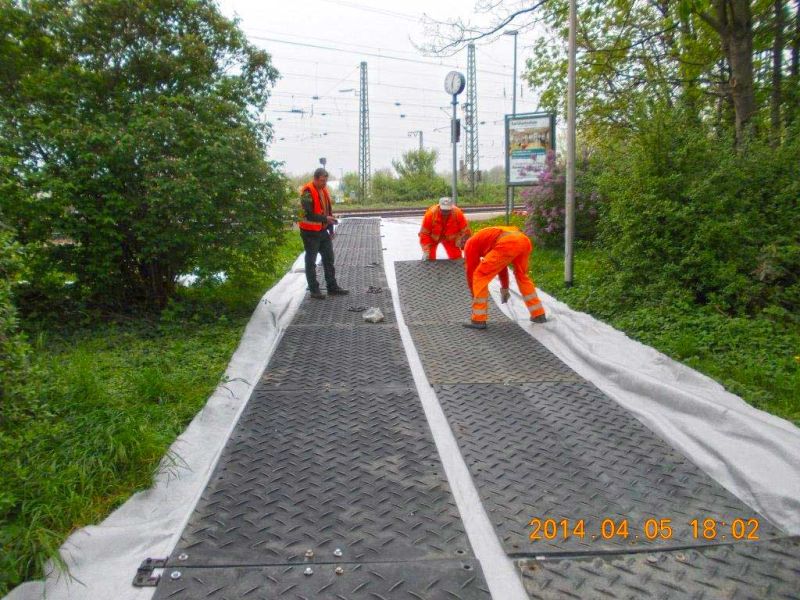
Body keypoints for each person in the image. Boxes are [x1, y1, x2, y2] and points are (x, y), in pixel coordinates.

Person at [460, 225, 546, 329]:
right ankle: (538, 314)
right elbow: (501, 265)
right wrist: (504, 288)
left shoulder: (470, 244)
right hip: (523, 240)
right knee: (522, 276)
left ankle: (478, 319)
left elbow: (471, 273)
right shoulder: (484, 237)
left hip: (508, 243)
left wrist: (474, 295)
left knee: (480, 275)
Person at [298, 168, 348, 299]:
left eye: (325, 180)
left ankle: (332, 287)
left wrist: (330, 228)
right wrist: (326, 219)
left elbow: (327, 211)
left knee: (329, 258)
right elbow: (308, 214)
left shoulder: (323, 190)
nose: (324, 183)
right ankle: (314, 290)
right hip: (309, 232)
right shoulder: (307, 192)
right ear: (315, 179)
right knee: (311, 261)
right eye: (322, 181)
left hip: (322, 230)